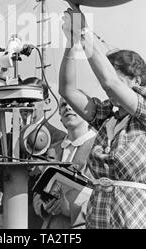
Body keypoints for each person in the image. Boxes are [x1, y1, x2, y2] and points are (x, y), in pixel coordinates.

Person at [58, 3, 146, 229]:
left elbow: (110, 83)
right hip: (100, 215)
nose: (109, 83)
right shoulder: (107, 118)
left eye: (116, 74)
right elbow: (67, 90)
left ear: (136, 81)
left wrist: (84, 33)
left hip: (135, 216)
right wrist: (72, 43)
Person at [0, 77, 66, 229]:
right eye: (21, 100)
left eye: (32, 100)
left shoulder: (58, 138)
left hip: (39, 222)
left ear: (47, 102)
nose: (25, 106)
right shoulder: (7, 139)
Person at [33, 97, 96, 229]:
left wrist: (68, 208)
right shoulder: (52, 150)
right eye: (63, 105)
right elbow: (37, 192)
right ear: (60, 116)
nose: (68, 107)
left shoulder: (99, 148)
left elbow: (104, 195)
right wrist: (44, 206)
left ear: (89, 111)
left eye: (73, 103)